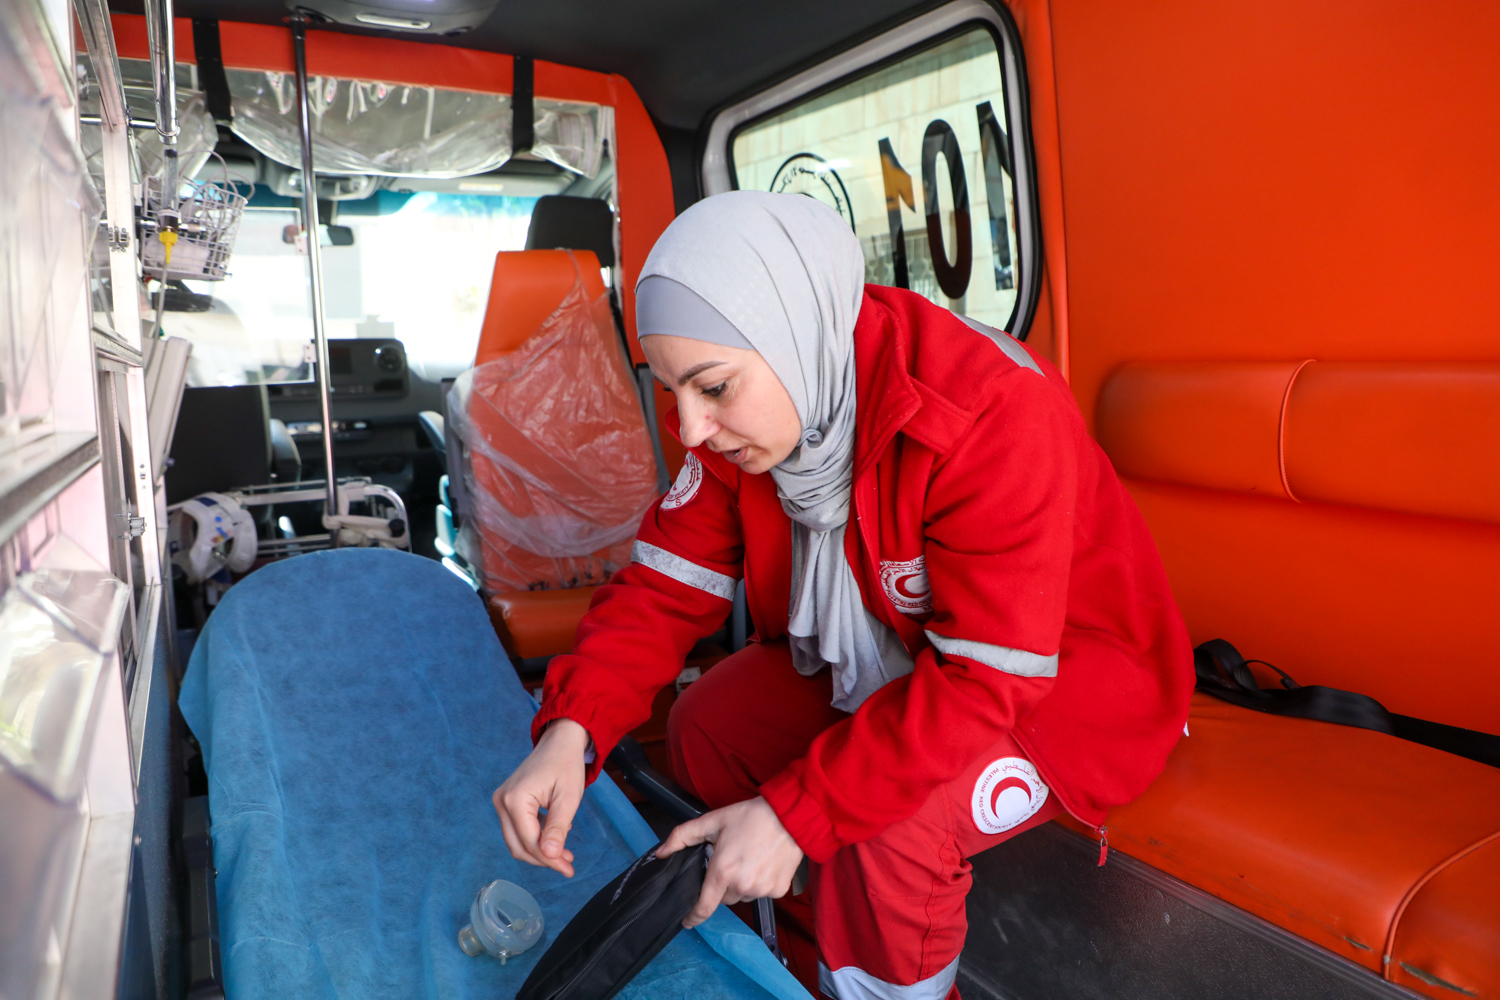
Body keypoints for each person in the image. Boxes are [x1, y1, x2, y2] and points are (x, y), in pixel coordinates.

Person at [494, 191, 1193, 1000]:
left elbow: (987, 683)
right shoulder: (760, 405)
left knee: (890, 827)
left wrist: (798, 813)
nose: (689, 429)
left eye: (713, 388)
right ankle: (797, 965)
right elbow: (663, 587)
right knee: (707, 727)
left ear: (792, 336)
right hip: (904, 657)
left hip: (1063, 692)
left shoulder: (991, 411)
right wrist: (569, 731)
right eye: (672, 391)